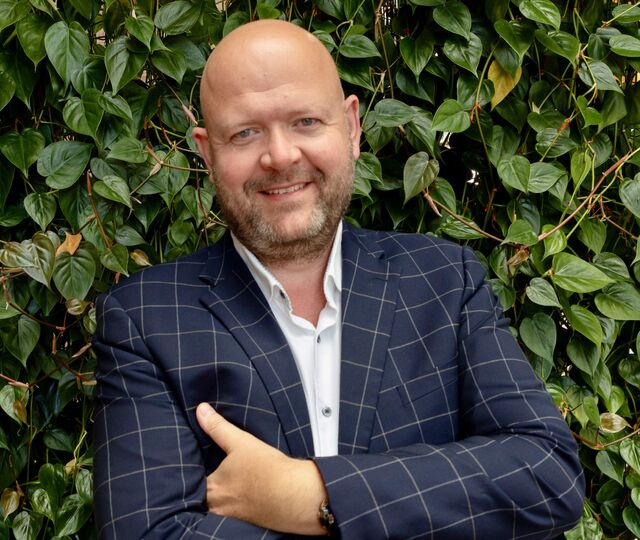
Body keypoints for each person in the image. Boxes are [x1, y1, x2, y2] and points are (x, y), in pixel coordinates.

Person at [92, 19, 585, 539]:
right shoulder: (145, 318)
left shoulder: (445, 281)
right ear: (207, 152)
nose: (280, 155)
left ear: (351, 128)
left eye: (305, 121)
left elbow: (546, 473)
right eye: (245, 132)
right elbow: (147, 533)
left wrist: (317, 495)